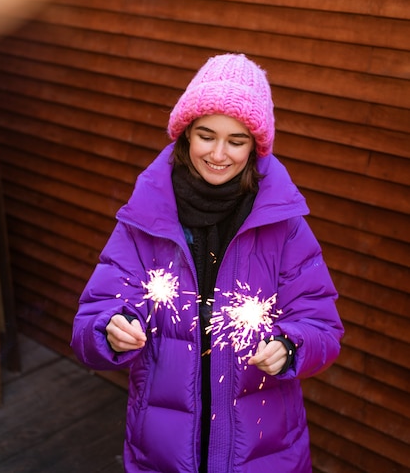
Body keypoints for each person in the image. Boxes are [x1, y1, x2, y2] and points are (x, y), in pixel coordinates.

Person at [71, 53, 344, 473]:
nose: (219, 154)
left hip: (264, 453)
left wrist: (291, 346)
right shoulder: (144, 221)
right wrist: (110, 331)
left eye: (237, 140)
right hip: (160, 450)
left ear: (256, 147)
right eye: (206, 135)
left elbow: (322, 328)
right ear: (184, 135)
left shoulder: (285, 227)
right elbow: (90, 325)